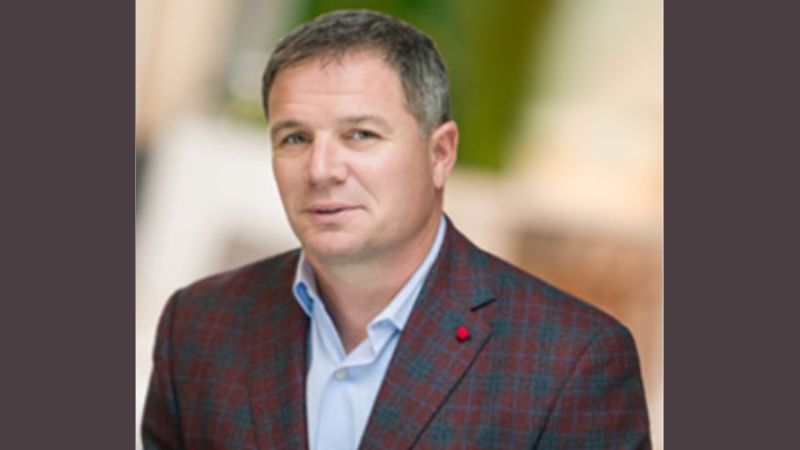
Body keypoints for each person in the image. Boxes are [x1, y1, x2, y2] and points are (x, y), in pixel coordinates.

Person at [142, 9, 651, 450]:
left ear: (440, 154)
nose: (321, 170)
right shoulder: (199, 325)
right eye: (295, 138)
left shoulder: (573, 360)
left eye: (360, 135)